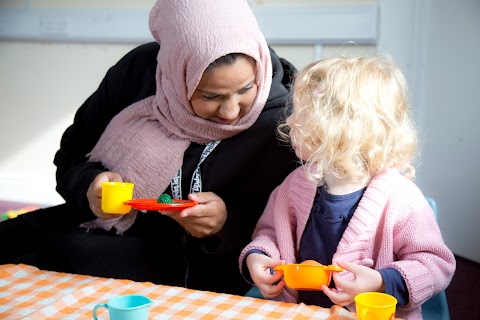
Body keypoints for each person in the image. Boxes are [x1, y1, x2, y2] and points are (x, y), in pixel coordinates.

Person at [0, 0, 299, 296]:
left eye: (246, 89)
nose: (232, 112)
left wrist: (225, 225)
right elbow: (72, 153)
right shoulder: (139, 74)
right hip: (98, 226)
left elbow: (296, 227)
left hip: (195, 267)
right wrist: (89, 185)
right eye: (210, 96)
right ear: (174, 72)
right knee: (14, 240)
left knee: (64, 260)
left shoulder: (283, 122)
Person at [239, 55, 456, 319]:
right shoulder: (294, 185)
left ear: (341, 129)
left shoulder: (401, 199)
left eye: (303, 113)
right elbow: (270, 235)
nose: (289, 121)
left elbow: (437, 264)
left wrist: (380, 281)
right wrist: (258, 256)